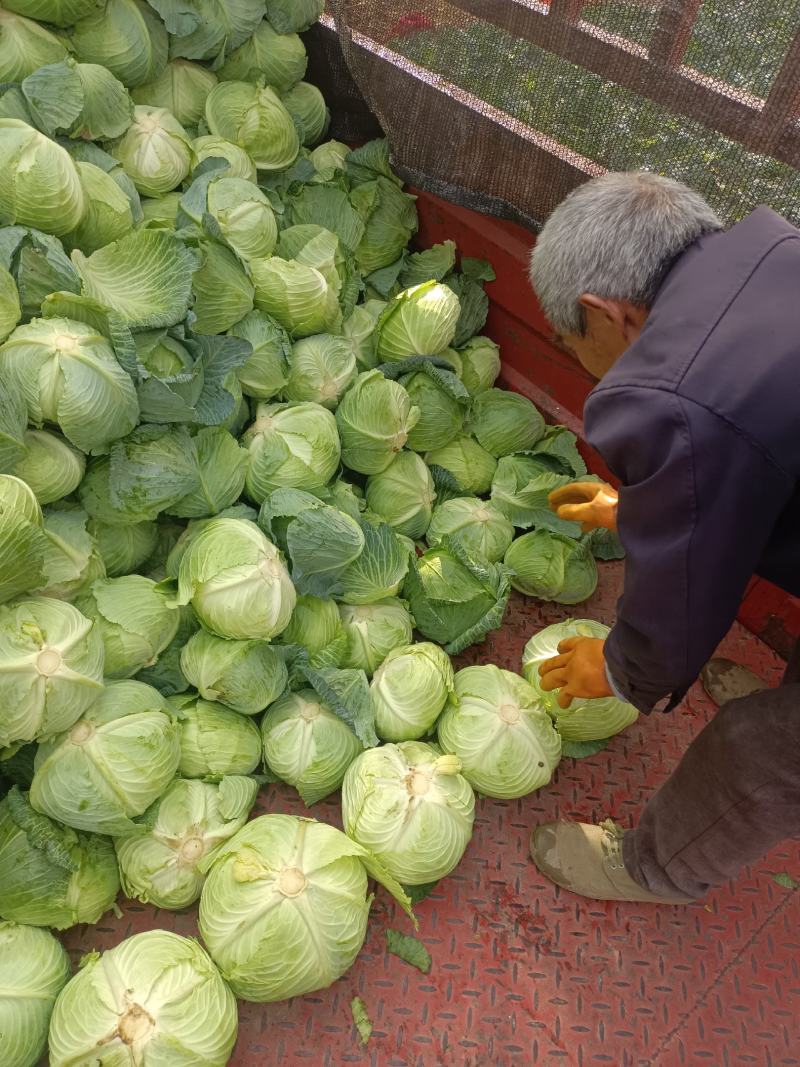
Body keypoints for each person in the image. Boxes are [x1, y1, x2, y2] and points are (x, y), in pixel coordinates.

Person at [525, 171, 800, 904]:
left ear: (605, 314)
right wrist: (644, 507)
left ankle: (655, 866)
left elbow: (676, 604)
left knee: (767, 750)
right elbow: (760, 453)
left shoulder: (668, 394)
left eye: (567, 339)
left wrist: (618, 672)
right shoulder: (774, 252)